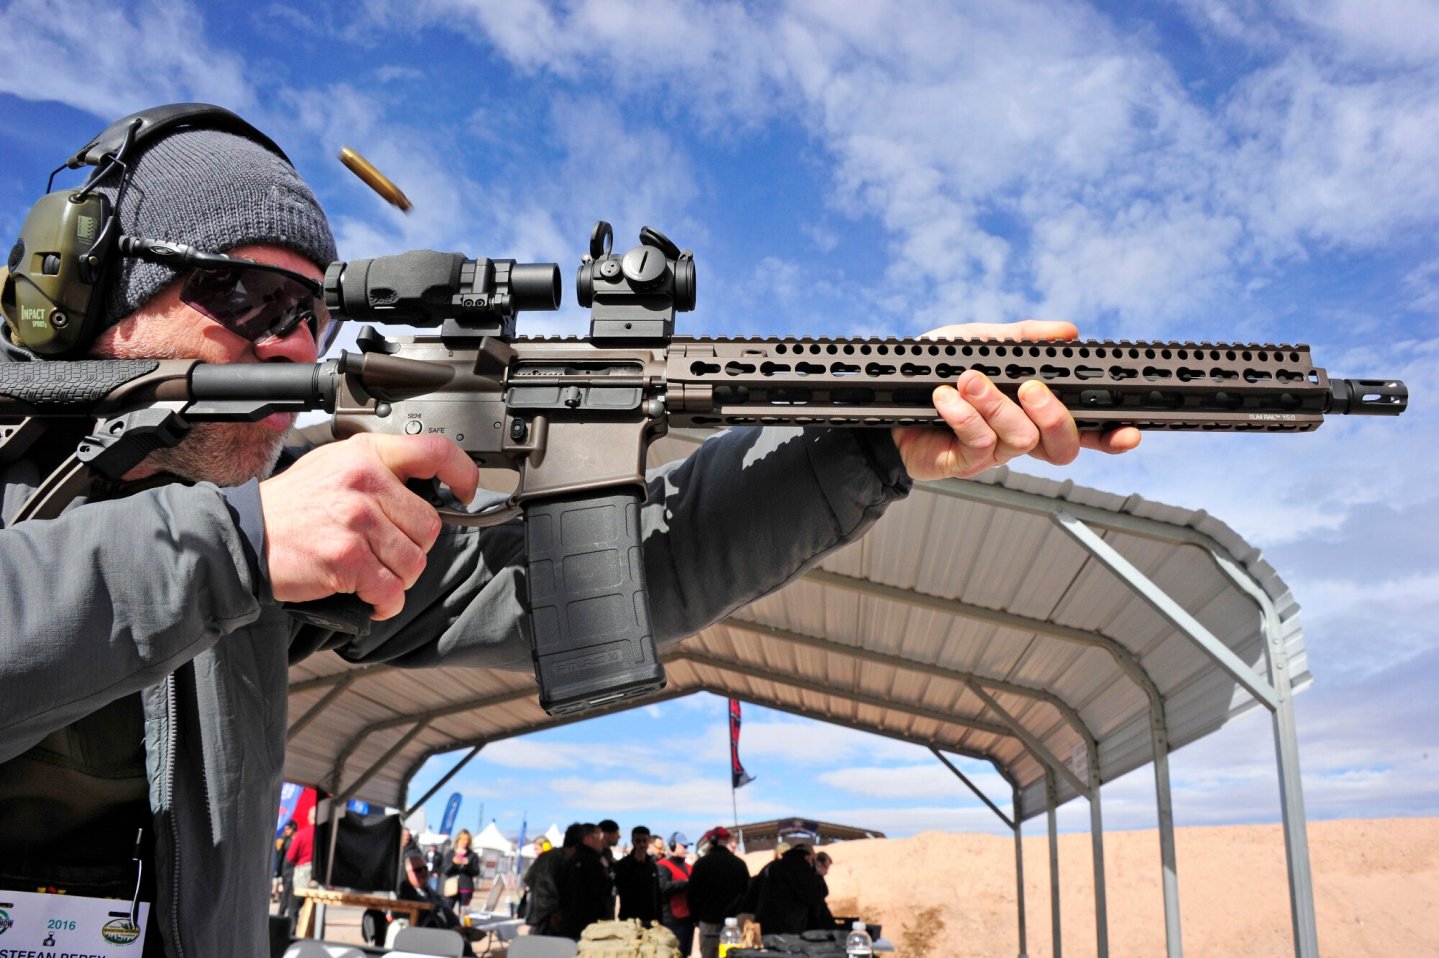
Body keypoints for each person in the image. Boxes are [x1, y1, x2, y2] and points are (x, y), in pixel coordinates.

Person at [0, 104, 1136, 958]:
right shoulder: (240, 543)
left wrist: (871, 437)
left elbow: (619, 572)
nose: (292, 349)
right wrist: (241, 546)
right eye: (243, 299)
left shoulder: (270, 555)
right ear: (84, 293)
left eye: (311, 313)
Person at [687, 827, 750, 958]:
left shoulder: (700, 864)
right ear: (725, 841)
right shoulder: (739, 864)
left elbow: (691, 894)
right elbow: (747, 893)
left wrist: (696, 919)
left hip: (707, 922)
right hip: (733, 925)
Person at [753, 844, 827, 935]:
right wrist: (818, 875)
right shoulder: (802, 868)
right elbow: (816, 896)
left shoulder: (771, 866)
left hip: (763, 925)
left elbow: (753, 891)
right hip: (787, 930)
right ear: (808, 857)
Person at [558, 823, 612, 939]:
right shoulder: (590, 862)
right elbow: (601, 890)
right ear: (588, 839)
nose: (602, 842)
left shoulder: (573, 859)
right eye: (600, 838)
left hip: (574, 923)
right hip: (587, 926)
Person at [614, 824, 662, 925]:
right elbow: (621, 887)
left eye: (644, 841)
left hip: (650, 918)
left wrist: (659, 919)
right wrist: (635, 865)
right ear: (633, 841)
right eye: (638, 841)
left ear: (648, 842)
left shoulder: (652, 864)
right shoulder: (622, 864)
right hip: (629, 918)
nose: (641, 845)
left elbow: (657, 892)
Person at [657, 832, 695, 953]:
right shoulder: (662, 866)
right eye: (683, 846)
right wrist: (686, 883)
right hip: (671, 920)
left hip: (687, 919)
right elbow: (662, 887)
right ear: (673, 846)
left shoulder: (689, 867)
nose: (686, 849)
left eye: (687, 846)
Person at [444, 828, 481, 913]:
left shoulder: (472, 855)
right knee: (448, 912)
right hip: (451, 888)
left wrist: (468, 865)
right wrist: (453, 863)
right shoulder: (450, 853)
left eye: (467, 840)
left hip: (466, 888)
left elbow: (476, 872)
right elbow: (445, 871)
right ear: (458, 839)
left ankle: (462, 925)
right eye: (463, 839)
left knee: (463, 914)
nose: (465, 842)